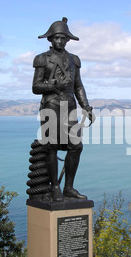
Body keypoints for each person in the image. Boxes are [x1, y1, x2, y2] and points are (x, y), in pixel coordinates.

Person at [32, 17, 94, 202]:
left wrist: (86, 106)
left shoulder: (74, 60)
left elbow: (78, 86)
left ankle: (68, 187)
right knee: (51, 147)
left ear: (67, 40)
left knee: (76, 146)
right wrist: (53, 85)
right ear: (50, 39)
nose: (59, 41)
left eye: (62, 38)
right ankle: (55, 187)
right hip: (51, 106)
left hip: (69, 106)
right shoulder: (42, 58)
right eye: (56, 38)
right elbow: (36, 87)